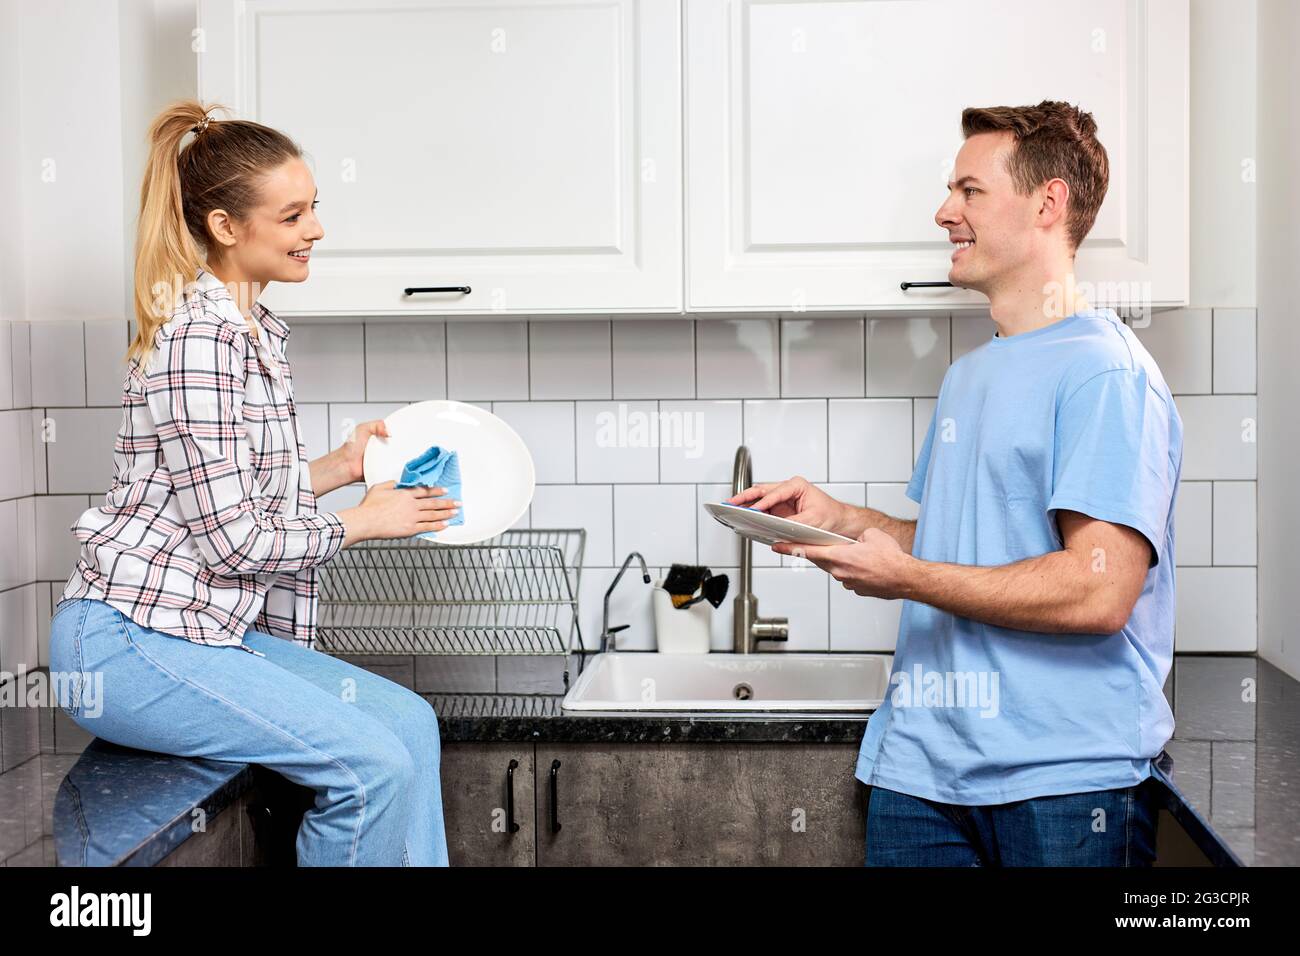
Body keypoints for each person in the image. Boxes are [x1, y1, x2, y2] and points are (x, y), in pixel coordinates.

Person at [730, 101, 1182, 867]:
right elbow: (961, 544)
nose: (945, 212)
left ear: (1048, 203)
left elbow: (1098, 592)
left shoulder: (1107, 372)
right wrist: (838, 519)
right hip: (922, 774)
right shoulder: (971, 374)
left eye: (969, 191)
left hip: (1062, 783)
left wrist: (907, 578)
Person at [48, 100, 459, 866]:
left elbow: (230, 497)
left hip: (201, 633)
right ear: (226, 227)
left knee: (407, 725)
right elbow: (235, 541)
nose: (317, 230)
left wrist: (342, 468)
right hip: (130, 645)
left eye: (314, 209)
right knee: (369, 767)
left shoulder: (252, 332)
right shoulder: (199, 340)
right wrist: (365, 520)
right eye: (294, 214)